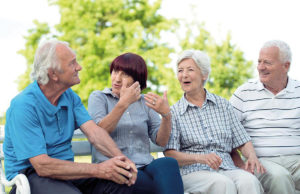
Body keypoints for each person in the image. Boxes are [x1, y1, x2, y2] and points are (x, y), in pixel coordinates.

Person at [4, 39, 137, 194]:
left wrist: (123, 162)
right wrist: (100, 169)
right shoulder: (23, 106)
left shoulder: (70, 97)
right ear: (53, 74)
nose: (79, 67)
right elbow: (42, 166)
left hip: (65, 174)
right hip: (28, 179)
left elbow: (94, 133)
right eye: (72, 63)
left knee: (121, 183)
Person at [164, 49, 264, 194]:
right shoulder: (174, 112)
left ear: (204, 74)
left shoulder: (223, 105)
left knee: (249, 181)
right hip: (193, 172)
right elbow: (170, 153)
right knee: (222, 184)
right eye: (180, 71)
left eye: (190, 70)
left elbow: (242, 140)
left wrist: (252, 156)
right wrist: (200, 158)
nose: (184, 75)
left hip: (227, 168)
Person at [88, 52, 184, 194]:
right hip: (115, 167)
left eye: (125, 74)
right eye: (115, 72)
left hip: (145, 165)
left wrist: (166, 115)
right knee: (161, 184)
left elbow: (161, 141)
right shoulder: (99, 97)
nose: (117, 79)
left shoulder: (144, 102)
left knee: (168, 163)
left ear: (137, 80)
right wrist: (123, 103)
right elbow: (99, 132)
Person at [230, 40, 300, 194]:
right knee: (279, 177)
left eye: (267, 62)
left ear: (286, 66)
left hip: (296, 160)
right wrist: (240, 164)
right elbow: (226, 133)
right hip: (262, 162)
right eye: (259, 61)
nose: (261, 67)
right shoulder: (244, 93)